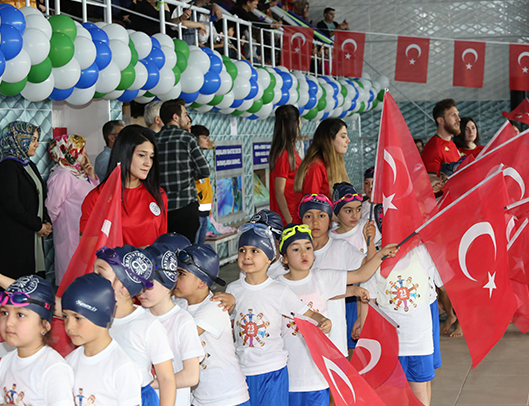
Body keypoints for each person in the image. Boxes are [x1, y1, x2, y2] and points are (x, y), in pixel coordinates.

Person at [226, 223, 332, 406]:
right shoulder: (232, 290)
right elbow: (229, 327)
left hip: (273, 370)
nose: (247, 256)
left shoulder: (279, 290)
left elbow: (306, 312)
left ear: (270, 258)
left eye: (254, 250)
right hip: (242, 370)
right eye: (242, 250)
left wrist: (322, 319)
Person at [276, 223, 371, 406]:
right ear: (285, 258)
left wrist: (379, 256)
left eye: (308, 248)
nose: (304, 253)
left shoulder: (319, 277)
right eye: (296, 249)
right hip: (287, 371)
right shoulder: (276, 286)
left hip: (317, 371)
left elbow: (358, 274)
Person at [298, 194, 396, 357]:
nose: (315, 222)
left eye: (321, 216)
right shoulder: (294, 253)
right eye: (308, 216)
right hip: (301, 336)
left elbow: (366, 269)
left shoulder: (340, 247)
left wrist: (369, 241)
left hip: (335, 334)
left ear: (330, 220)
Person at [94, 245, 176, 406]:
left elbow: (166, 379)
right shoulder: (94, 317)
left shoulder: (147, 325)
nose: (92, 279)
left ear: (123, 286)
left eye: (100, 274)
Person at [174, 244, 251, 406]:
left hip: (228, 397)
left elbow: (184, 336)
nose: (174, 278)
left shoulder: (215, 305)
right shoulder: (180, 303)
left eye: (181, 274)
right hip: (201, 398)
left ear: (202, 283)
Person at [361, 244, 438, 406]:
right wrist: (365, 335)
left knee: (419, 393)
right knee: (393, 396)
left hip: (420, 341)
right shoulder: (377, 258)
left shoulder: (422, 252)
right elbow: (368, 301)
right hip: (390, 344)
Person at [138, 243, 204, 406]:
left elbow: (191, 376)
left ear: (168, 283)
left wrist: (149, 385)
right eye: (139, 282)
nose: (141, 290)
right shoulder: (138, 318)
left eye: (149, 284)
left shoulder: (183, 321)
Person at [63, 273, 143, 406]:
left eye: (77, 317)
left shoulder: (122, 368)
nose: (69, 326)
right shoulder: (69, 362)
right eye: (65, 316)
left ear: (101, 315)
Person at [81, 125, 168, 248]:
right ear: (124, 153)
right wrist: (132, 255)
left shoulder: (158, 194)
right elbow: (87, 250)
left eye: (151, 156)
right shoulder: (97, 198)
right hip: (115, 266)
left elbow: (161, 241)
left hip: (154, 266)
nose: (148, 163)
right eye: (142, 155)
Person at [0, 275, 74, 405]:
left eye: (20, 315)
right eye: (4, 313)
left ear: (45, 326)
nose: (9, 323)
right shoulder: (5, 362)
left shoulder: (53, 369)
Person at [0, 121, 52, 280]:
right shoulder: (7, 167)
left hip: (33, 233)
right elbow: (12, 205)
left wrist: (46, 221)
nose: (37, 144)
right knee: (18, 282)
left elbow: (40, 196)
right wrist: (38, 225)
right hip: (17, 238)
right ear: (19, 140)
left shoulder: (29, 165)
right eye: (33, 140)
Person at [46, 134, 99, 285]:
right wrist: (59, 225)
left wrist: (92, 176)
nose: (86, 153)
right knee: (71, 276)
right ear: (70, 152)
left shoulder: (79, 173)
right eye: (82, 150)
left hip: (84, 231)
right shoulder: (62, 174)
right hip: (69, 232)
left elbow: (96, 197)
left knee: (85, 275)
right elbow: (52, 206)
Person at [156, 99, 210, 243]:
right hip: (185, 206)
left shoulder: (153, 140)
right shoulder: (188, 139)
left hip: (160, 208)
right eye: (185, 114)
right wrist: (190, 173)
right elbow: (205, 170)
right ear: (175, 117)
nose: (187, 118)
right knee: (186, 253)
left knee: (165, 253)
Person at [294, 118, 350, 202]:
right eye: (343, 136)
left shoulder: (334, 164)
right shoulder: (316, 167)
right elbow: (312, 207)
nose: (348, 140)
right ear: (329, 139)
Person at [269, 105, 302, 226]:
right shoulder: (284, 154)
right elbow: (279, 191)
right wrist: (290, 221)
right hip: (287, 219)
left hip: (293, 214)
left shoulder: (288, 151)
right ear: (296, 123)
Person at [421, 99, 462, 176]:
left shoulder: (451, 143)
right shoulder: (434, 147)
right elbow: (429, 182)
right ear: (441, 121)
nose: (458, 119)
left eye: (457, 115)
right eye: (453, 115)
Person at [190, 125, 214, 244]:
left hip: (204, 212)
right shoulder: (191, 158)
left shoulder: (201, 158)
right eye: (204, 137)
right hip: (196, 212)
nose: (208, 140)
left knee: (200, 248)